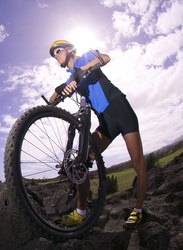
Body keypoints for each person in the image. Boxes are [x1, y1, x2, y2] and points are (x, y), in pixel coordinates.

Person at [48, 40, 147, 229]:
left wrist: (83, 69)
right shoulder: (71, 79)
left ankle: (139, 210)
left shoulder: (85, 56)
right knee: (80, 163)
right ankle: (80, 213)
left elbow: (106, 58)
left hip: (120, 108)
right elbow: (52, 100)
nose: (56, 57)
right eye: (53, 55)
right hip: (105, 122)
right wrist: (59, 89)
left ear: (69, 50)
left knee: (137, 162)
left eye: (58, 51)